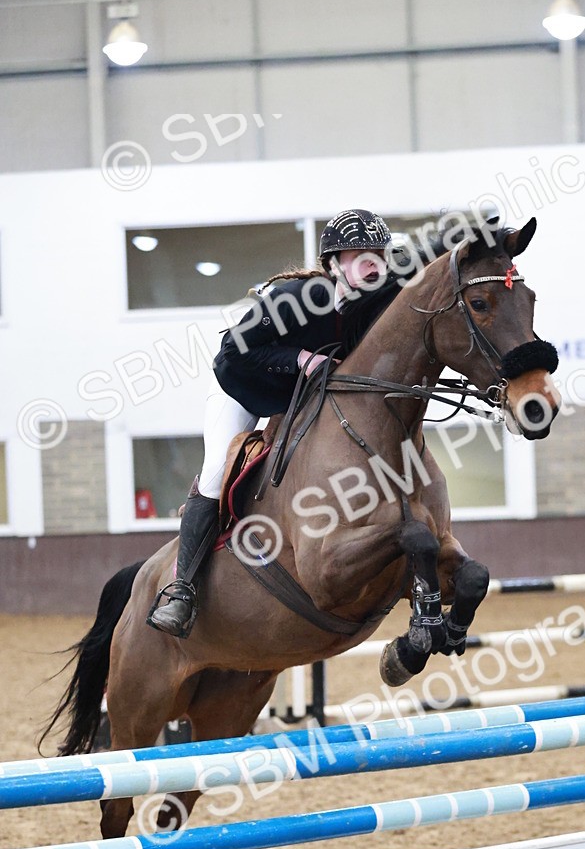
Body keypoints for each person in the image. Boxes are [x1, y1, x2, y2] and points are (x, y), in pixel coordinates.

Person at [148, 208, 428, 637]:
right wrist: (299, 358)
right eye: (360, 253)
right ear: (335, 263)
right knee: (216, 473)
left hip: (298, 399)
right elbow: (232, 352)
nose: (372, 260)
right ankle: (181, 589)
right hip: (243, 388)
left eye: (378, 252)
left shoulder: (371, 308)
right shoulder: (299, 297)